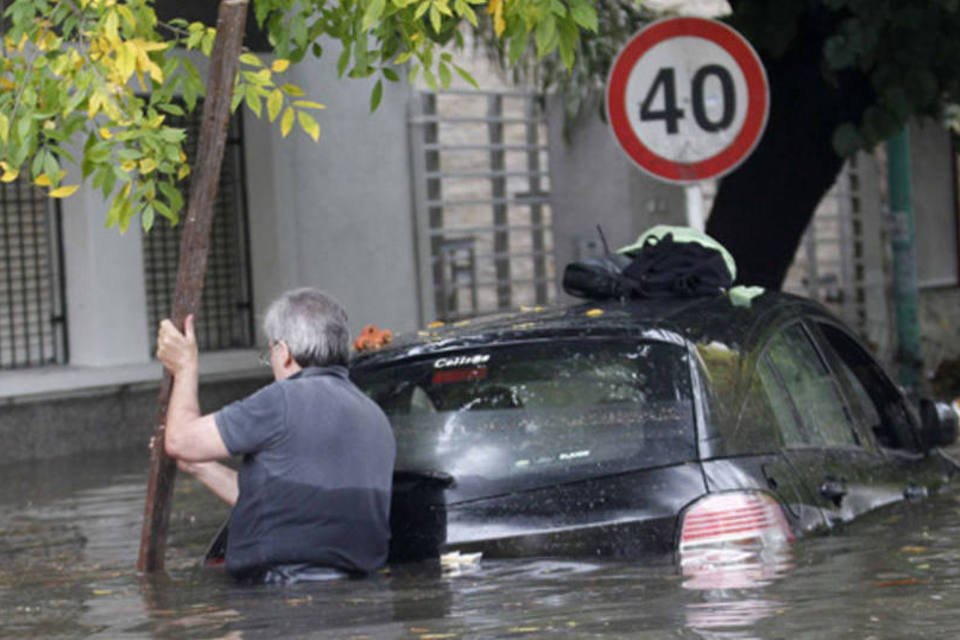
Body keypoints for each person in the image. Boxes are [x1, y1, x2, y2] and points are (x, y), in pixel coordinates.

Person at [156, 288, 396, 583]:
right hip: (360, 596)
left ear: (283, 352)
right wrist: (199, 467)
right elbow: (286, 506)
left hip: (279, 595)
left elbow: (180, 440)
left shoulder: (281, 401)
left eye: (268, 354)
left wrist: (185, 367)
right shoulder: (374, 416)